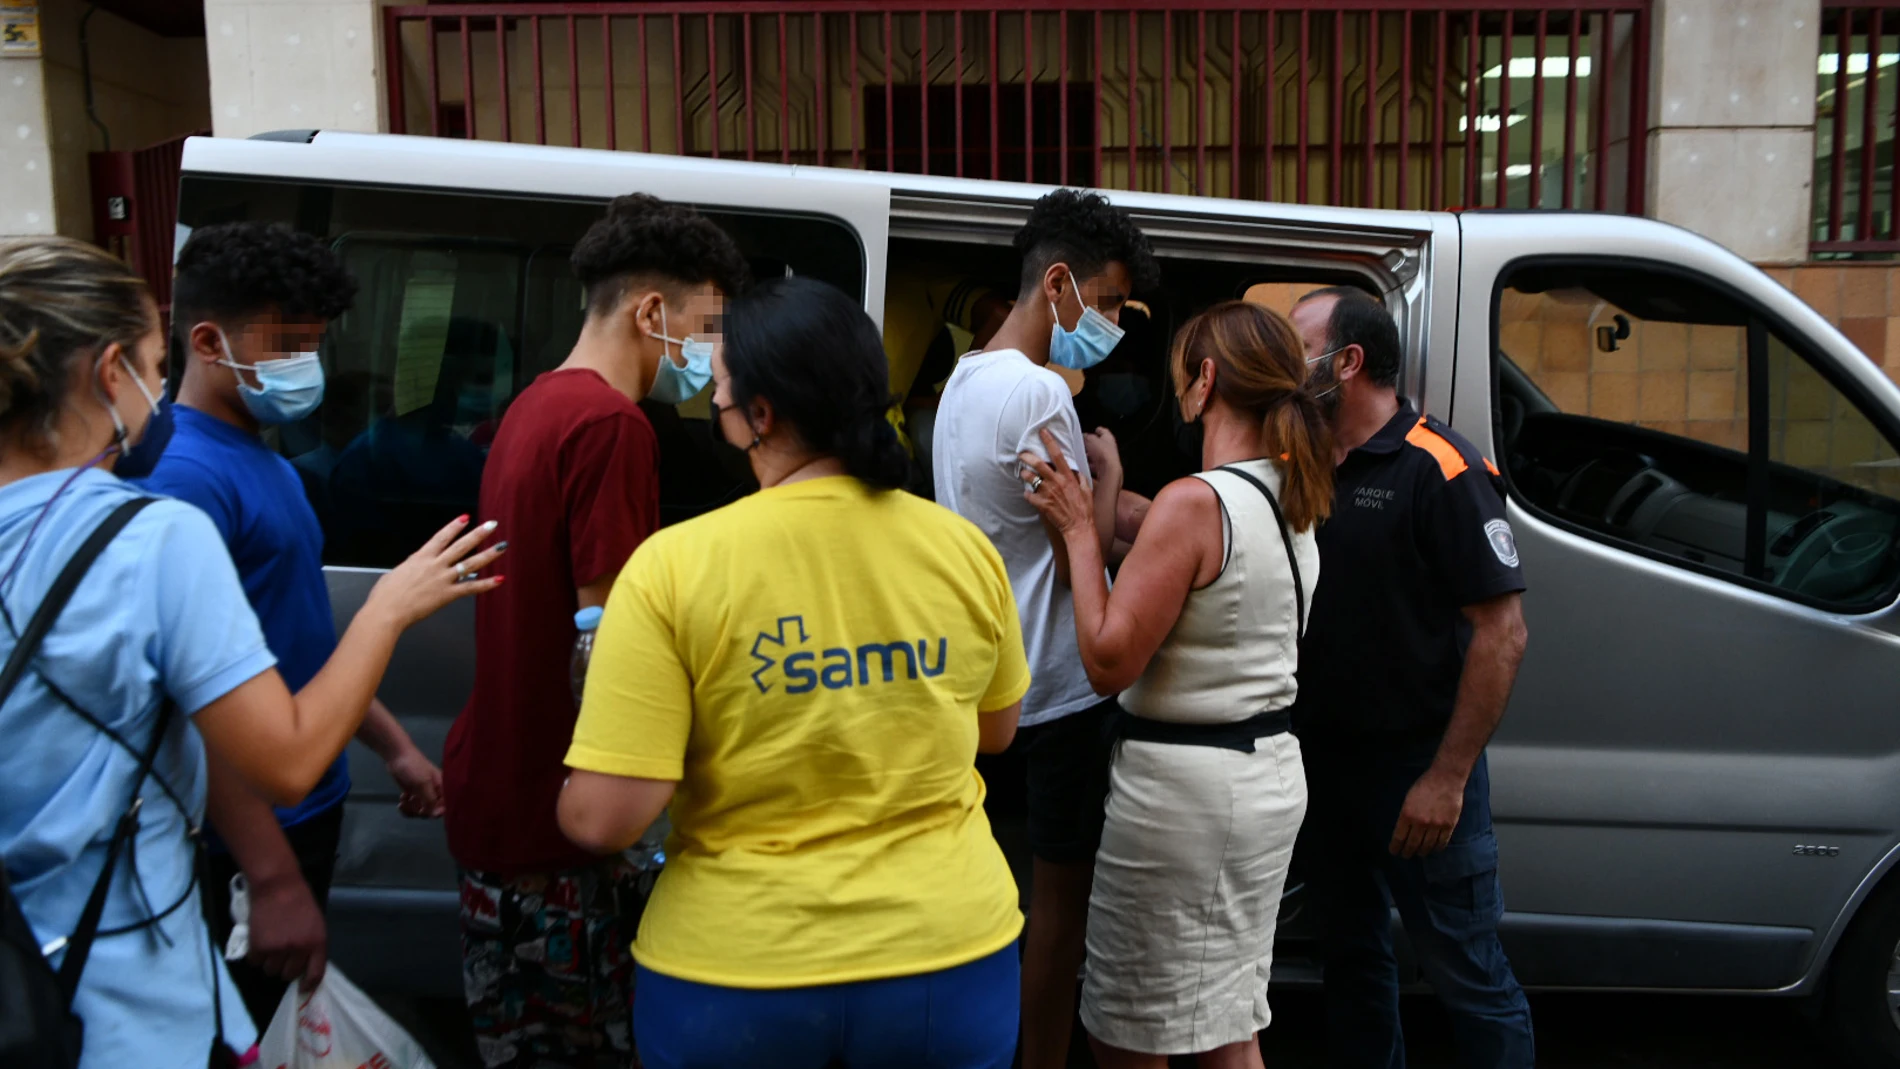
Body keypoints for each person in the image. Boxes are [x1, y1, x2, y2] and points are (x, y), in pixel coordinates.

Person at [0, 238, 498, 1069]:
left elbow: (265, 651)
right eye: (150, 367)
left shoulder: (244, 472)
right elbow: (275, 755)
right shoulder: (158, 520)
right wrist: (390, 606)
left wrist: (391, 745)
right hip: (126, 980)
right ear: (110, 368)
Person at [555, 275, 1027, 1069]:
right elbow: (995, 730)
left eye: (723, 391)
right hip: (948, 962)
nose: (715, 405)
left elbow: (608, 818)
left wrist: (575, 784)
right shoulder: (962, 548)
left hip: (738, 976)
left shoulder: (673, 568)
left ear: (761, 416)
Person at [443, 192, 749, 1069]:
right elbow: (608, 645)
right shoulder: (613, 426)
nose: (715, 352)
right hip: (561, 830)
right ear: (653, 312)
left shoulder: (538, 403)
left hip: (500, 806)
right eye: (709, 324)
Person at [134, 222, 450, 1027]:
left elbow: (290, 637)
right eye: (286, 344)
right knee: (242, 1029)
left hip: (309, 803)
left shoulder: (264, 458)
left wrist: (393, 746)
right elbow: (192, 690)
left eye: (311, 344)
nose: (305, 367)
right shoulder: (184, 478)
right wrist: (269, 877)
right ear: (208, 341)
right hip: (242, 837)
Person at [1019, 301, 1331, 1069]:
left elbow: (1108, 658)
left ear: (1207, 382)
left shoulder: (1197, 502)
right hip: (1263, 783)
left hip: (1183, 804)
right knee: (1227, 1024)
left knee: (1124, 1028)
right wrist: (1117, 497)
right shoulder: (1288, 495)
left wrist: (1077, 528)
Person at [929, 188, 1158, 1069]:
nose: (1106, 323)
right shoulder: (1036, 393)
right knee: (1059, 913)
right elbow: (1078, 549)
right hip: (1057, 691)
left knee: (1001, 894)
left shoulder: (967, 378)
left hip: (990, 679)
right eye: (1102, 302)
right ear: (1056, 282)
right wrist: (1109, 474)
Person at [1286, 285, 1534, 1069]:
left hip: (1418, 775)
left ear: (1346, 362)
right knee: (1354, 966)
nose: (1289, 366)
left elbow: (1503, 632)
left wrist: (1447, 777)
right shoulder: (1306, 465)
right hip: (1328, 773)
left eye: (1299, 349)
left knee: (1470, 977)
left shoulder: (1442, 466)